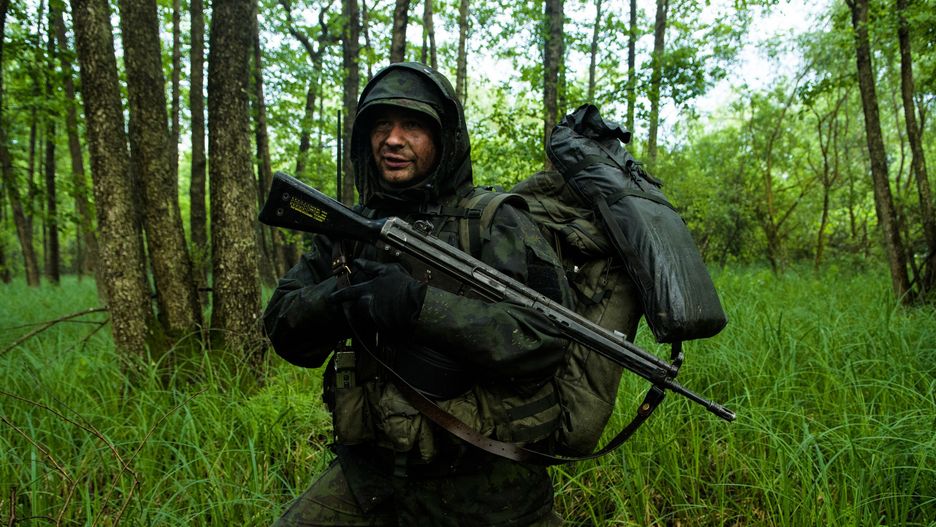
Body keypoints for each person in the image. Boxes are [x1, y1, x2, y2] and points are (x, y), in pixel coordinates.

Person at [263, 62, 572, 526]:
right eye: (380, 126)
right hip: (372, 478)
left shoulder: (495, 223)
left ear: (444, 139)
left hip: (488, 485)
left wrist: (419, 307)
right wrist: (339, 296)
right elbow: (283, 326)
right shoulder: (349, 229)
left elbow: (546, 339)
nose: (392, 139)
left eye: (412, 125)